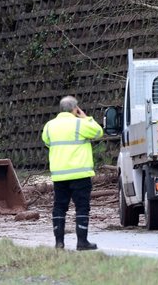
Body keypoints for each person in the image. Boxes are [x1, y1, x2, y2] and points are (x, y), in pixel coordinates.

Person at [42, 95, 103, 250]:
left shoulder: (50, 125)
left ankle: (59, 243)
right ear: (75, 109)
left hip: (59, 174)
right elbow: (98, 133)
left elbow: (47, 142)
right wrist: (86, 118)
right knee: (82, 207)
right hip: (80, 174)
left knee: (59, 207)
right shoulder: (79, 124)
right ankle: (82, 242)